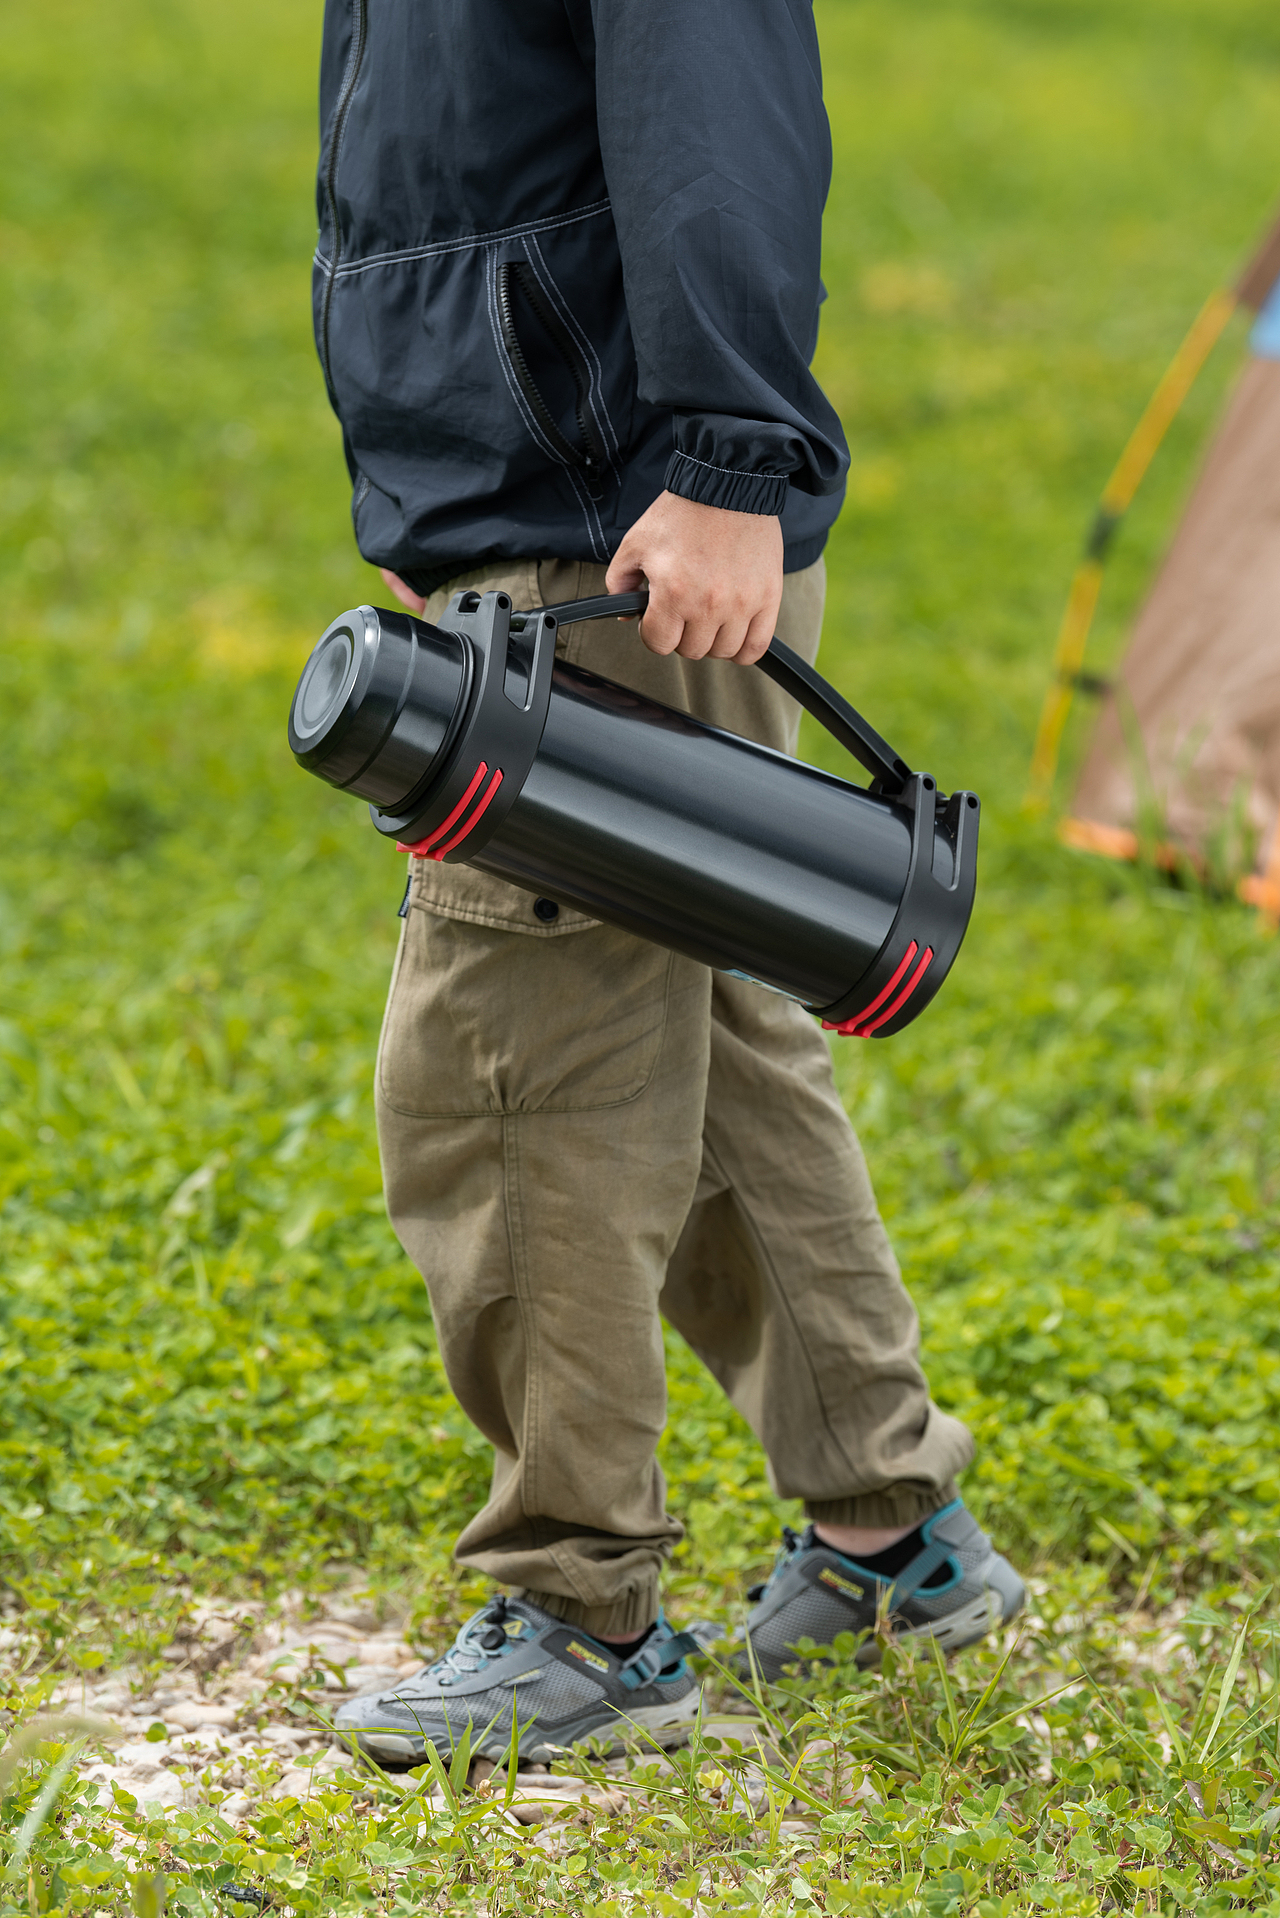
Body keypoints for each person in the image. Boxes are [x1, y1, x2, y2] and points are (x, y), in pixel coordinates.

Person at [314, 0, 1022, 1765]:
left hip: (625, 523)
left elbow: (718, 115)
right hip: (539, 501)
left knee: (511, 1070)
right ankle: (888, 1536)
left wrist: (726, 457)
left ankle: (580, 1614)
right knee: (703, 1019)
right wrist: (439, 505)